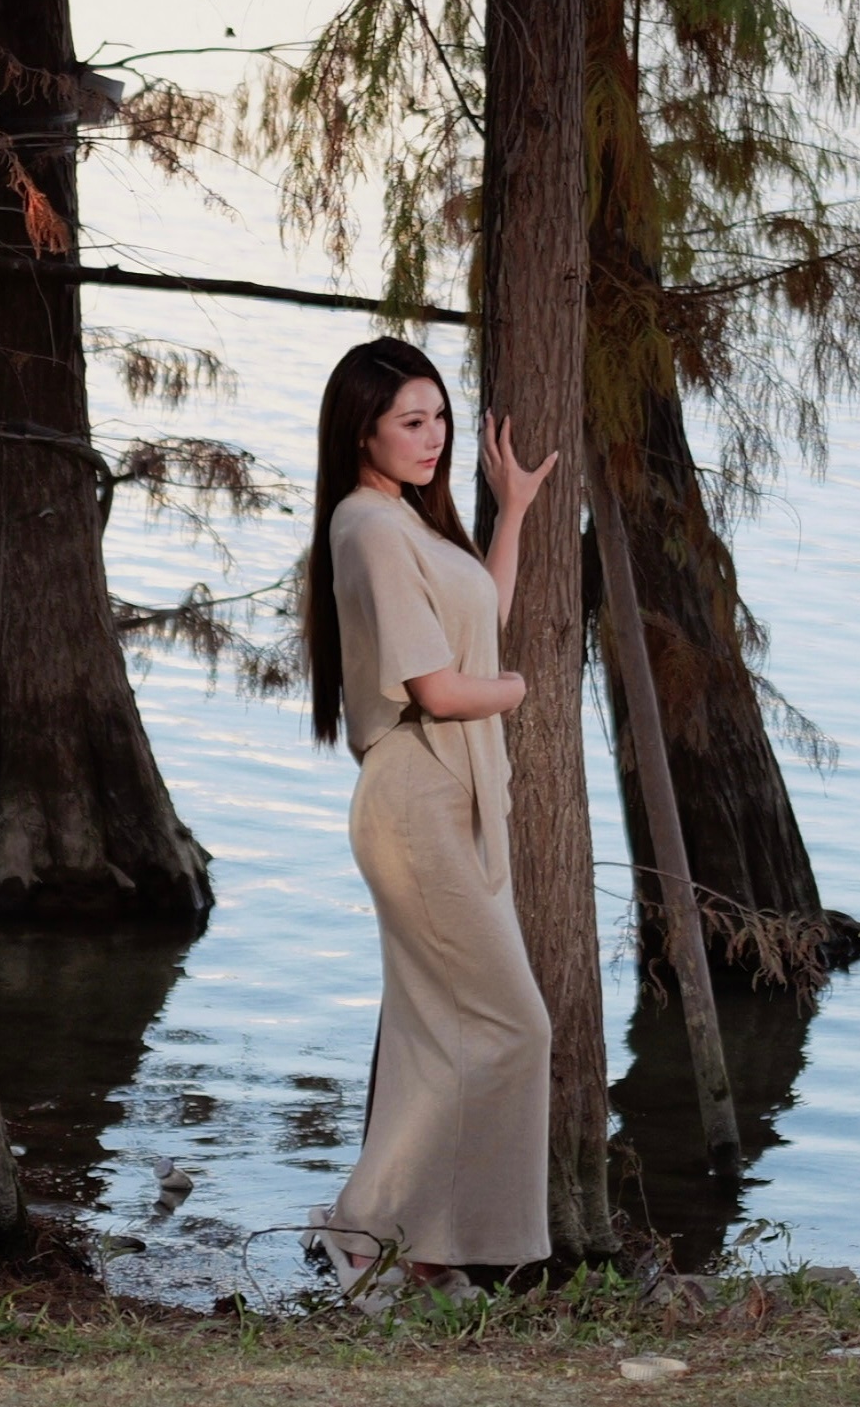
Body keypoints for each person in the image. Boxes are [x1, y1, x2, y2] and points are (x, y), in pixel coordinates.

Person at [298, 336, 557, 1308]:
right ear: (360, 429)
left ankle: (421, 1250)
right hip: (417, 797)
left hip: (448, 794)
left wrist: (513, 510)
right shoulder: (367, 525)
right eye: (410, 420)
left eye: (438, 415)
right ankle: (361, 1230)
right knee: (513, 1025)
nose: (432, 435)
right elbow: (441, 691)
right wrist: (519, 689)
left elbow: (478, 621)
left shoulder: (405, 519)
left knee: (435, 1035)